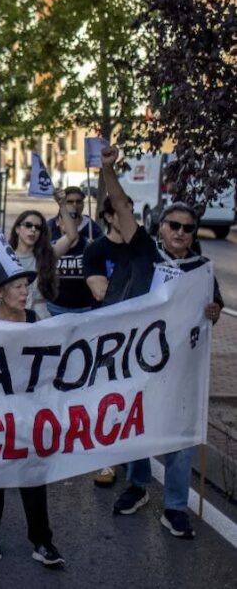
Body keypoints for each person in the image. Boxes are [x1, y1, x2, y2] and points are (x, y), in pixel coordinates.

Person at [89, 147, 223, 534]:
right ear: (161, 227)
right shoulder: (145, 252)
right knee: (136, 428)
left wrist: (213, 311)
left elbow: (213, 307)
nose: (181, 233)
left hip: (181, 366)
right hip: (140, 361)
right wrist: (109, 170)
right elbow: (119, 204)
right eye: (174, 225)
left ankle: (175, 506)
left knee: (180, 435)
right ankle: (138, 484)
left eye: (188, 228)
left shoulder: (202, 269)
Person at [0, 251, 64, 567]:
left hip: (28, 413)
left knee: (33, 476)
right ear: (0, 290)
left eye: (27, 287)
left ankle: (42, 541)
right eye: (19, 287)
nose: (26, 293)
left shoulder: (33, 321)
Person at [46, 188, 97, 316]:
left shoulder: (91, 237)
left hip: (84, 308)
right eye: (65, 216)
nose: (70, 219)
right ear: (58, 221)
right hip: (55, 308)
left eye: (73, 216)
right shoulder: (50, 237)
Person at [8, 210, 60, 318]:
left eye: (38, 227)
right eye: (28, 225)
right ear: (17, 229)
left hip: (39, 317)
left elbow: (71, 236)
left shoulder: (46, 257)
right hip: (10, 316)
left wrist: (62, 205)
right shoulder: (6, 258)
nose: (33, 230)